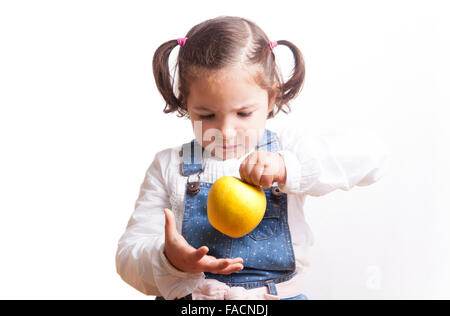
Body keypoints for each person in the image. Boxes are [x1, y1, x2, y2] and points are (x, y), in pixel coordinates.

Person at [115, 16, 389, 300]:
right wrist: (169, 260)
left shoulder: (289, 150)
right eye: (206, 115)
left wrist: (288, 168)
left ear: (270, 98)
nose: (226, 132)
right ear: (186, 102)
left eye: (243, 113)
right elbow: (127, 257)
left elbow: (374, 157)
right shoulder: (170, 166)